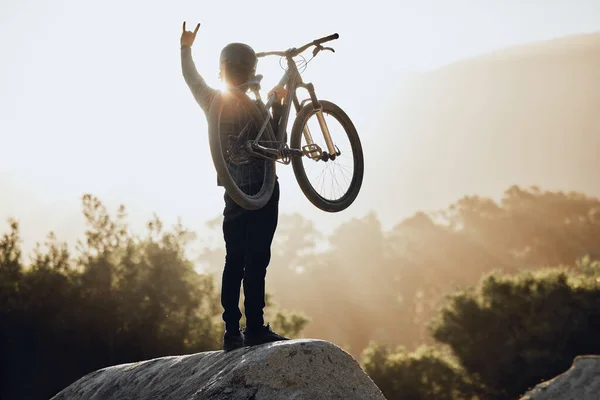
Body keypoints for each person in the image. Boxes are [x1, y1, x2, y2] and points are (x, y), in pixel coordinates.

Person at [180, 21, 290, 351]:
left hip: (236, 195)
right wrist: (281, 105)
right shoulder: (255, 106)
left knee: (235, 259)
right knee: (257, 259)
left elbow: (191, 79)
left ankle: (232, 331)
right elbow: (277, 142)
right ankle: (254, 327)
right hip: (264, 193)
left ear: (223, 70)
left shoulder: (214, 100)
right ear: (250, 71)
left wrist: (185, 48)